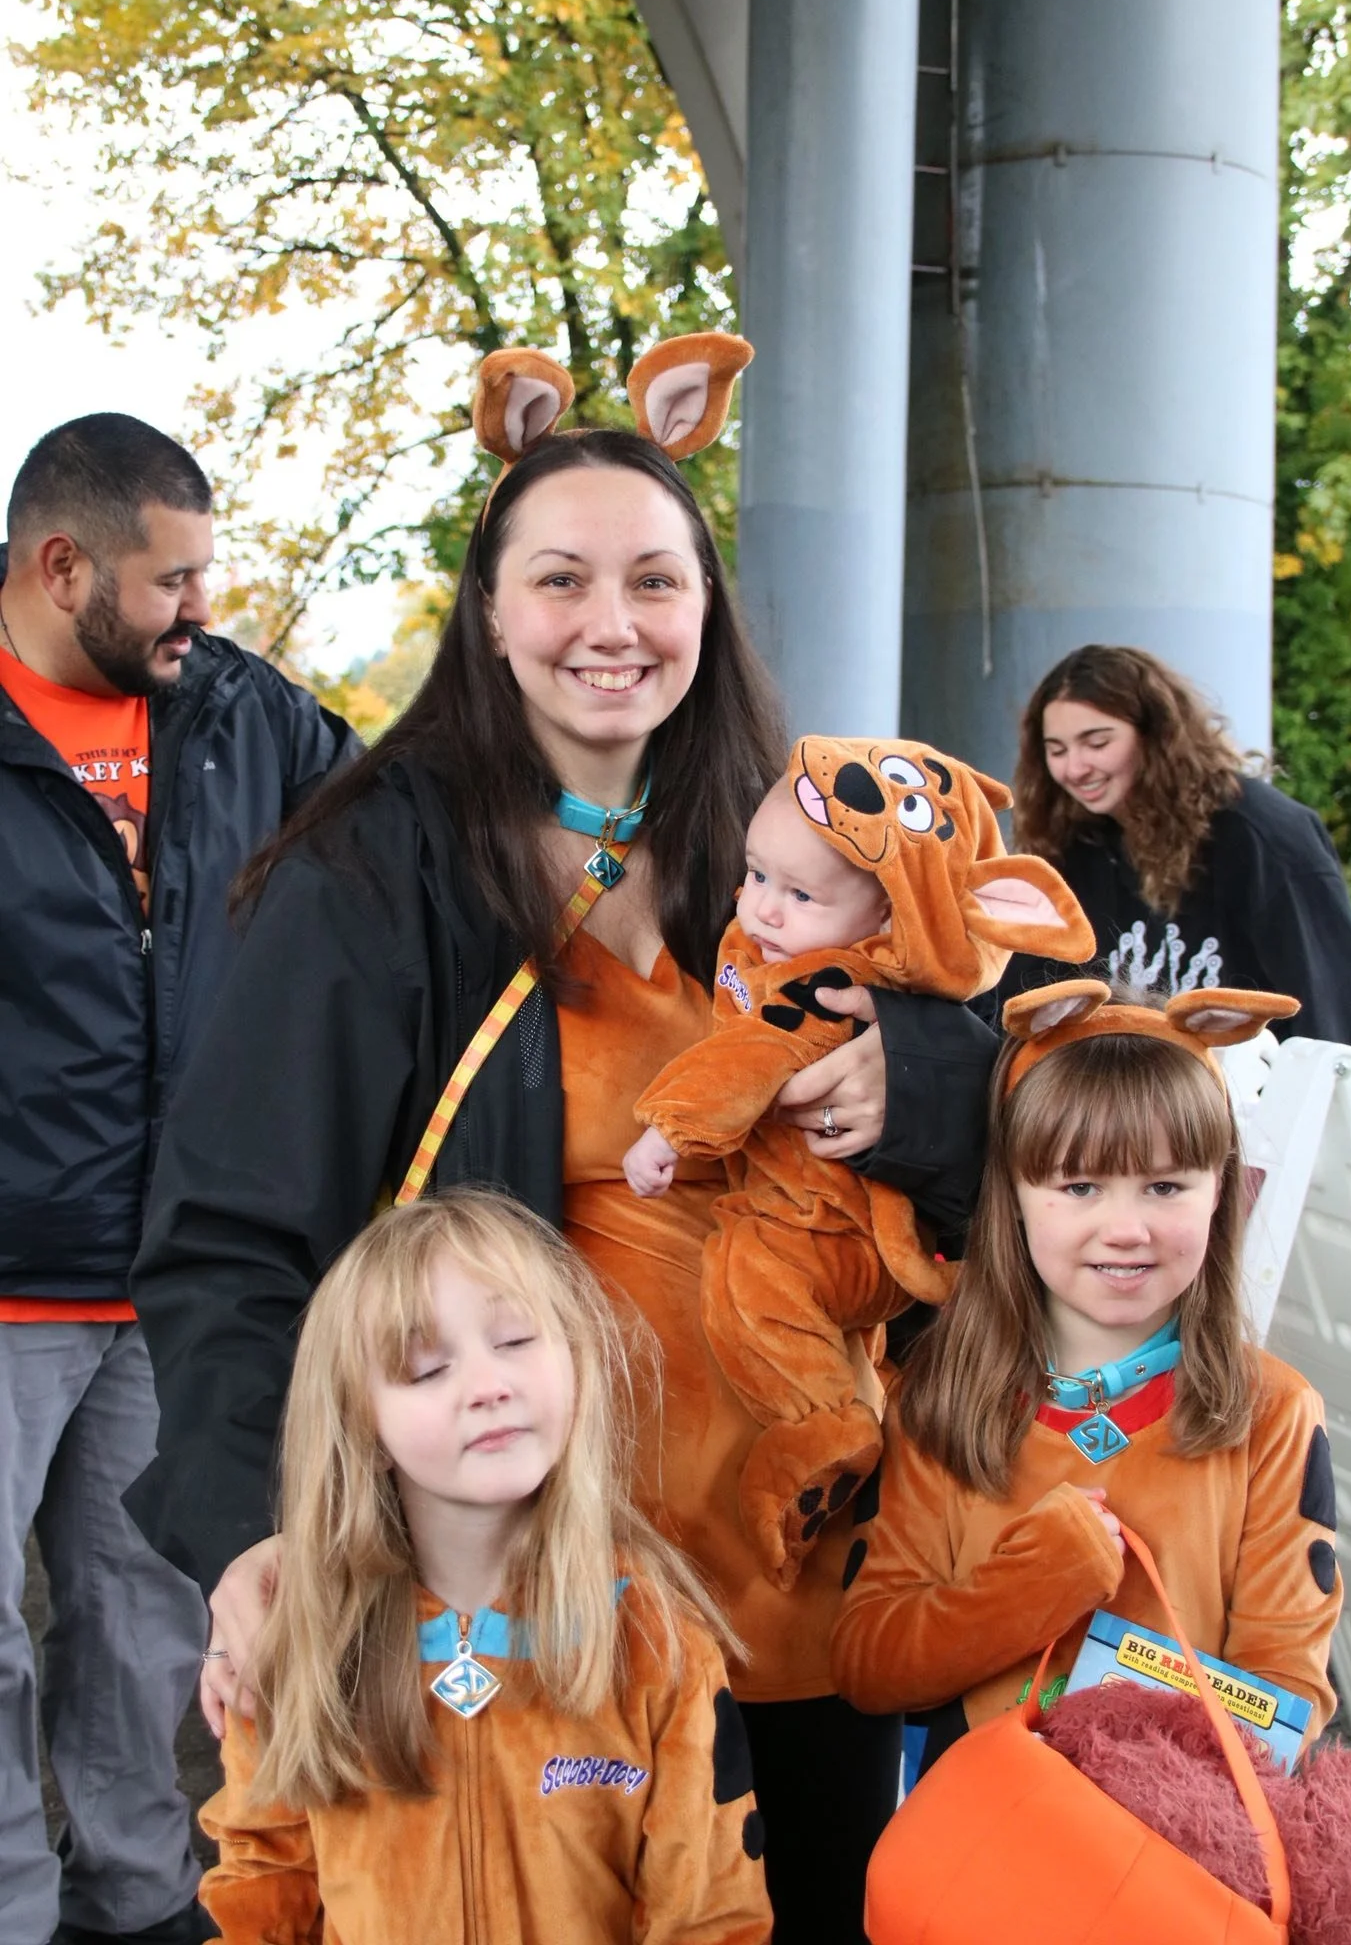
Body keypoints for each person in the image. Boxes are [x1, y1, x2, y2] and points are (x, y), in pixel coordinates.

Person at [127, 334, 998, 1943]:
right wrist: (257, 1536)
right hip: (533, 1619)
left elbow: (1002, 1070)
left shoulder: (807, 840)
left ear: (706, 607)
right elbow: (231, 1243)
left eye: (656, 583)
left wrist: (923, 1073)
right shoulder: (369, 876)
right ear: (490, 610)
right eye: (561, 581)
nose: (612, 626)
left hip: (802, 1597)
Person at [0, 412, 355, 1945]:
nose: (198, 608)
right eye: (172, 580)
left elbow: (418, 827)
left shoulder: (241, 715)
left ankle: (142, 1909)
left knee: (147, 1632)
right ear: (61, 565)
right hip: (7, 1275)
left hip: (166, 1275)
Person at [198, 1189, 772, 1944]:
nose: (489, 1386)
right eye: (427, 1367)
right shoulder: (297, 1637)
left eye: (516, 1341)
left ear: (576, 1358)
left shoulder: (658, 1640)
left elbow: (709, 1919)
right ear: (359, 1421)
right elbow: (262, 1889)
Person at [831, 977, 1344, 1782]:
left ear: (1225, 1192)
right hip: (975, 1852)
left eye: (1167, 1185)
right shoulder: (939, 1399)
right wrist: (1032, 1588)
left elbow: (1289, 1697)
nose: (1127, 1228)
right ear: (1015, 1198)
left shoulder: (1274, 1413)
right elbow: (868, 1662)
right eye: (1079, 1187)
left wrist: (1120, 1736)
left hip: (1176, 1866)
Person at [625, 735, 1092, 1588]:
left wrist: (668, 1131)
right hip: (853, 1244)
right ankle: (849, 1399)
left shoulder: (820, 985)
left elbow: (742, 1065)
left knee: (751, 1284)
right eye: (755, 876)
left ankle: (823, 1427)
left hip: (811, 1222)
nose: (761, 909)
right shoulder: (777, 940)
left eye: (799, 894)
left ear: (888, 919)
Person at [1006, 643, 1351, 1047]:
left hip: (1252, 1097)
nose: (1074, 768)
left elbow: (1335, 1012)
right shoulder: (1070, 844)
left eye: (1097, 743)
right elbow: (1012, 1004)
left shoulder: (1265, 835)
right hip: (1116, 1097)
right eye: (1057, 750)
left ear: (1156, 735)